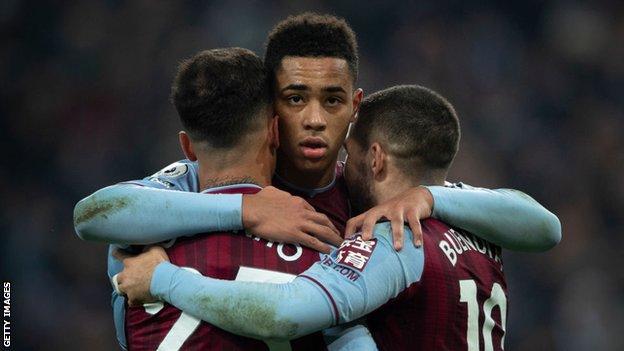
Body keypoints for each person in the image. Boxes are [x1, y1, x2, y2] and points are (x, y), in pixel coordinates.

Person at [74, 12, 560, 350]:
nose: (313, 119)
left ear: (356, 105)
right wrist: (246, 210)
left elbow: (540, 225)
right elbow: (98, 215)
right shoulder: (210, 182)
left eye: (331, 101)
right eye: (295, 97)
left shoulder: (376, 196)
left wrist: (430, 194)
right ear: (270, 107)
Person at [116, 85, 508, 350]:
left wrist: (164, 280)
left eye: (350, 157)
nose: (343, 169)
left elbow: (283, 314)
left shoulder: (395, 239)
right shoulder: (481, 230)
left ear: (375, 158)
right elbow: (545, 226)